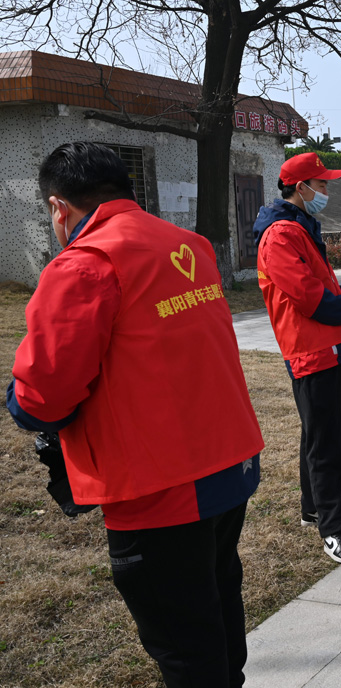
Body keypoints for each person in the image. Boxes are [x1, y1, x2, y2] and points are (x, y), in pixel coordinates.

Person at [7, 142, 265, 687]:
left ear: (58, 206)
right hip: (228, 462)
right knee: (218, 602)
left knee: (183, 643)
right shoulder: (188, 244)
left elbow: (41, 397)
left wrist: (19, 401)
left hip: (159, 486)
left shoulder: (86, 265)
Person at [253, 152, 341, 565]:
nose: (326, 191)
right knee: (327, 444)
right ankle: (334, 530)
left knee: (316, 435)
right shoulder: (282, 234)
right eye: (321, 185)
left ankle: (314, 508)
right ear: (300, 188)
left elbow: (321, 283)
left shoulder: (299, 226)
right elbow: (308, 296)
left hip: (323, 347)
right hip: (311, 350)